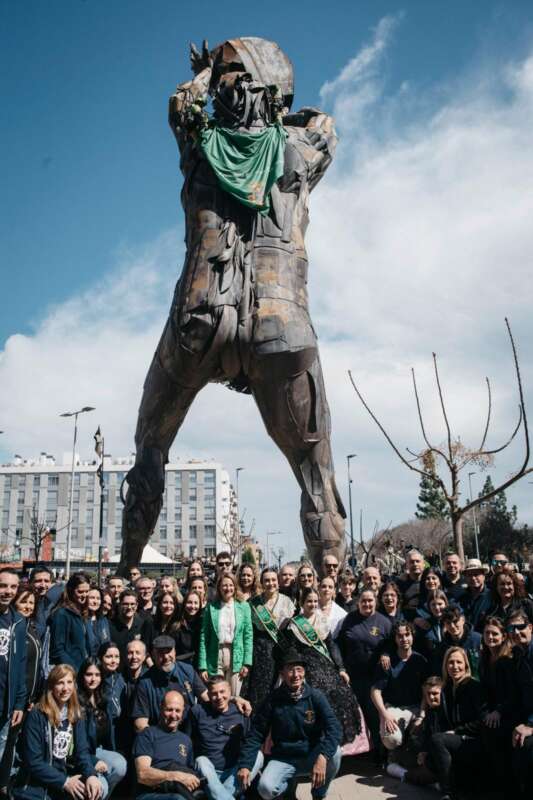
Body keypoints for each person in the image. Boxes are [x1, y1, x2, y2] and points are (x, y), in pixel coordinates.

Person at [237, 650, 342, 800]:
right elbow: (256, 733)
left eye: (299, 669)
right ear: (282, 673)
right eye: (290, 670)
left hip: (310, 755)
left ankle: (318, 794)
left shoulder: (316, 697)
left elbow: (335, 728)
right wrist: (245, 765)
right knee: (265, 789)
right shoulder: (273, 699)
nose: (295, 675)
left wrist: (323, 757)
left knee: (336, 753)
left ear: (304, 672)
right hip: (283, 757)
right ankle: (287, 791)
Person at [13, 664, 105, 800]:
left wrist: (91, 775)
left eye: (69, 682)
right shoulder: (37, 715)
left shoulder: (76, 714)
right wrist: (65, 782)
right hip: (35, 787)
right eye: (60, 683)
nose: (65, 688)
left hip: (62, 782)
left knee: (97, 788)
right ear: (51, 686)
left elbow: (82, 752)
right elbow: (33, 761)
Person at [281, 587, 359, 745]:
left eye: (315, 601)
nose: (313, 604)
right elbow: (292, 652)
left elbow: (331, 645)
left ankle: (337, 739)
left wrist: (341, 668)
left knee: (340, 692)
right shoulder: (294, 624)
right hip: (306, 667)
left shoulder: (322, 619)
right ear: (302, 603)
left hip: (326, 665)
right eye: (309, 601)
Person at [338, 588, 392, 751]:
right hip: (352, 675)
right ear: (358, 602)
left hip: (374, 678)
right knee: (355, 715)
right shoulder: (349, 619)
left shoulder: (384, 622)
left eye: (370, 600)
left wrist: (385, 653)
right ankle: (357, 751)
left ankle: (380, 752)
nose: (367, 604)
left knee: (373, 714)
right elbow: (339, 644)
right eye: (363, 601)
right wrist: (341, 667)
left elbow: (391, 644)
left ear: (375, 602)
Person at [426, 647, 485, 799]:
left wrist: (457, 731)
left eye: (459, 662)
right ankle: (456, 787)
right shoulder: (446, 689)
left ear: (466, 665)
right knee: (430, 756)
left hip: (474, 740)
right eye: (450, 663)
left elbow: (482, 721)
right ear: (445, 666)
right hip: (455, 740)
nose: (455, 666)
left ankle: (448, 793)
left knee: (438, 740)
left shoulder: (474, 687)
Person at [192, 676, 263, 800]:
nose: (219, 697)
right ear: (208, 694)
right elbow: (188, 741)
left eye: (222, 692)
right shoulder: (197, 712)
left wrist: (244, 766)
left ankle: (219, 795)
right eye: (214, 693)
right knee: (201, 761)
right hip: (210, 773)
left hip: (235, 772)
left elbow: (250, 742)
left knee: (258, 756)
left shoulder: (241, 711)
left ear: (230, 692)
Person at [370, 621, 427, 756]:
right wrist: (385, 715)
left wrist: (422, 715)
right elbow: (375, 691)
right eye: (400, 636)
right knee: (392, 740)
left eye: (407, 635)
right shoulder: (387, 661)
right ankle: (393, 755)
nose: (404, 639)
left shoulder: (421, 661)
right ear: (395, 639)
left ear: (412, 636)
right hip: (394, 708)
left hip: (416, 708)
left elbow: (426, 691)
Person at [133, 690, 200, 800]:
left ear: (183, 711)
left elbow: (188, 776)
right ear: (161, 708)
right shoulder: (147, 735)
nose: (173, 715)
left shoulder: (186, 740)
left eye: (178, 710)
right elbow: (143, 774)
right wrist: (175, 776)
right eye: (169, 710)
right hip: (150, 793)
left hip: (180, 792)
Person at [132, 635, 208, 731]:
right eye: (160, 653)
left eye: (168, 651)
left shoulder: (187, 670)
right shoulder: (144, 683)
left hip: (190, 732)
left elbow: (206, 698)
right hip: (160, 734)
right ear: (153, 655)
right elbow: (140, 723)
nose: (166, 657)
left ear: (175, 652)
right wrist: (155, 738)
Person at [77, 658, 127, 797]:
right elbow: (77, 746)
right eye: (89, 674)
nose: (93, 679)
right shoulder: (77, 701)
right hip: (82, 754)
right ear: (82, 676)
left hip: (97, 749)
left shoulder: (103, 697)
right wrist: (94, 761)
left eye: (97, 675)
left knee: (120, 765)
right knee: (101, 787)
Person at [246, 568, 294, 710]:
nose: (270, 583)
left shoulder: (288, 602)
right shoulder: (252, 603)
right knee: (261, 687)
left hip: (281, 646)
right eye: (266, 580)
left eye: (273, 580)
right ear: (261, 583)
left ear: (278, 582)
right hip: (260, 649)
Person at [479, 617, 521, 778]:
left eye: (495, 634)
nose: (490, 637)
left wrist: (498, 711)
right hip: (491, 710)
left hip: (508, 711)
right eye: (487, 633)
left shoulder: (507, 660)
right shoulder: (484, 658)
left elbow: (513, 693)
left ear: (503, 636)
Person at [199, 574, 253, 696]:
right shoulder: (211, 607)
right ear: (219, 588)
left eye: (230, 585)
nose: (227, 588)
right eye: (224, 585)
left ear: (235, 587)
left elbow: (248, 635)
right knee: (217, 694)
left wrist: (247, 662)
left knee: (234, 695)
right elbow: (204, 637)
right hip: (215, 654)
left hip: (236, 654)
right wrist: (202, 665)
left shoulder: (244, 606)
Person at [0, 569, 27, 777]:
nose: (7, 591)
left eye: (13, 586)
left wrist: (19, 702)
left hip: (6, 707)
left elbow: (21, 663)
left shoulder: (18, 621)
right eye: (3, 585)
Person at [49, 572, 90, 670]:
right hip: (70, 672)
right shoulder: (61, 614)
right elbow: (57, 649)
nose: (84, 595)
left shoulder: (82, 612)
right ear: (71, 590)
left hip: (84, 670)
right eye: (80, 592)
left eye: (87, 591)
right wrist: (73, 669)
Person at [108, 589, 153, 664]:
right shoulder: (110, 625)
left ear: (137, 605)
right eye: (125, 604)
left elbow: (147, 651)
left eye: (132, 604)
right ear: (120, 604)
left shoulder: (143, 624)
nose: (129, 607)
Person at [435, 606, 481, 678]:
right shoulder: (443, 646)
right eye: (448, 623)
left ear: (463, 620)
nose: (452, 626)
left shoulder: (478, 640)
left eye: (455, 621)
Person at [98, 643, 126, 735]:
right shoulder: (96, 681)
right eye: (109, 656)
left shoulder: (120, 679)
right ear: (101, 658)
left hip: (119, 729)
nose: (114, 661)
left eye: (117, 657)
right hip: (103, 731)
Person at [29, 566, 62, 640]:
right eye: (38, 581)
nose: (43, 585)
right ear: (31, 582)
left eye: (46, 581)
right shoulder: (23, 602)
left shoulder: (55, 603)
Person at [461, 558, 492, 633]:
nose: (473, 578)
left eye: (476, 574)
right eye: (469, 575)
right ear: (465, 578)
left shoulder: (492, 596)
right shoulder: (461, 599)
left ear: (484, 576)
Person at [173, 591, 203, 665]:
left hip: (199, 667)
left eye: (196, 603)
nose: (193, 606)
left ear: (200, 605)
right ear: (184, 604)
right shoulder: (177, 626)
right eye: (189, 602)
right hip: (181, 665)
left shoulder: (203, 624)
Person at [396, 550, 425, 621]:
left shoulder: (431, 581)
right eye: (412, 562)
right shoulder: (399, 584)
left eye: (418, 561)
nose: (415, 564)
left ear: (423, 564)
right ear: (407, 565)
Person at [86, 587, 111, 658]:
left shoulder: (103, 620)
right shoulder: (81, 619)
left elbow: (107, 642)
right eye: (92, 598)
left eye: (98, 598)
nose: (95, 601)